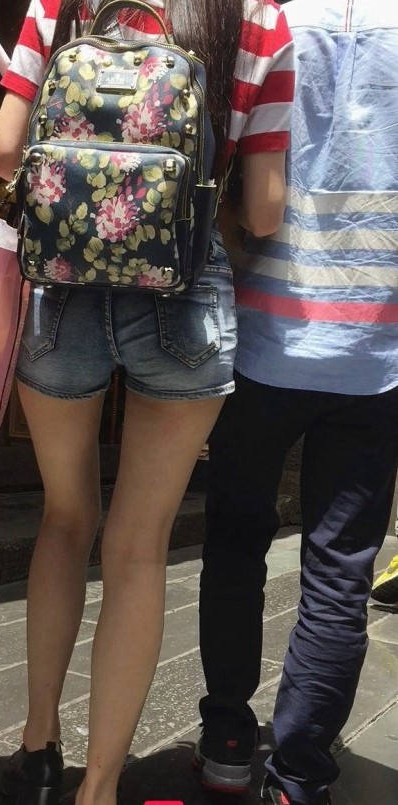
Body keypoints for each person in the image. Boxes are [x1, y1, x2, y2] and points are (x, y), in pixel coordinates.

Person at [0, 1, 293, 804]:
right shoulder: (257, 19)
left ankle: (38, 746)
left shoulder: (59, 6)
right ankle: (99, 787)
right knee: (138, 547)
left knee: (64, 519)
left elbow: (4, 150)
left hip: (61, 281)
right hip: (184, 289)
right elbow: (265, 208)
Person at [196, 1, 398, 803]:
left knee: (234, 540)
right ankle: (299, 776)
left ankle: (226, 737)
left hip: (260, 339)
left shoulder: (265, 15)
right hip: (376, 349)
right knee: (338, 571)